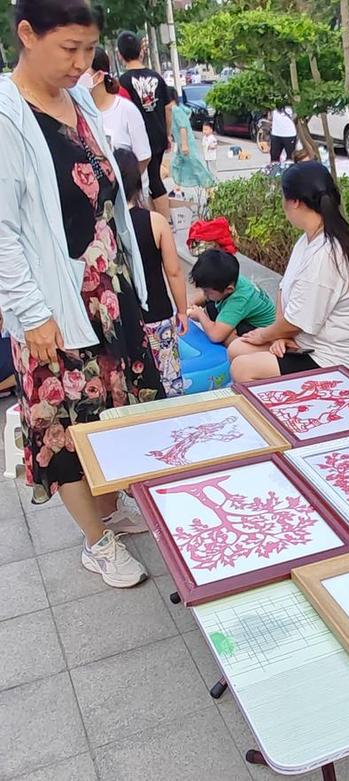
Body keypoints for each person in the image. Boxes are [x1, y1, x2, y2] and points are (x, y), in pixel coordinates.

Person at [0, 0, 167, 588]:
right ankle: (96, 542)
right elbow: (2, 230)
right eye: (69, 48)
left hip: (109, 291)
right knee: (66, 423)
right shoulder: (5, 114)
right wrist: (33, 314)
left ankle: (110, 507)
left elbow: (111, 201)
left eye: (89, 48)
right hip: (52, 306)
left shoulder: (78, 103)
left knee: (116, 409)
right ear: (27, 34)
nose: (81, 62)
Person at [228, 161, 349, 380]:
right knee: (237, 348)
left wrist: (265, 335)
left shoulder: (327, 254)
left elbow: (297, 322)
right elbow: (283, 290)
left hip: (331, 360)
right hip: (303, 345)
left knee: (243, 368)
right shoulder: (307, 240)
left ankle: (277, 414)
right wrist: (277, 337)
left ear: (294, 201)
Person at [114, 147, 188, 396]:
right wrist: (183, 311)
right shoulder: (154, 221)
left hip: (121, 319)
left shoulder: (104, 225)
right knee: (167, 382)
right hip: (157, 313)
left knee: (129, 386)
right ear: (138, 180)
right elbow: (174, 271)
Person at [117, 30, 173, 221]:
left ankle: (154, 226)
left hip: (138, 139)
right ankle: (165, 223)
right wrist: (167, 134)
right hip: (158, 135)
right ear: (141, 50)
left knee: (143, 184)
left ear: (119, 54)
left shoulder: (122, 83)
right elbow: (168, 108)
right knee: (155, 179)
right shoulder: (157, 77)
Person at [188, 250, 277, 345]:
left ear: (229, 289)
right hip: (249, 320)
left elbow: (216, 336)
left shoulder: (239, 299)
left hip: (262, 334)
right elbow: (206, 296)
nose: (204, 294)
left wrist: (200, 315)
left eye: (206, 291)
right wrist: (191, 303)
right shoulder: (229, 280)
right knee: (211, 306)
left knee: (226, 336)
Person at [89, 47, 149, 170]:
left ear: (99, 76)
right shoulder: (80, 113)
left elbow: (143, 157)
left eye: (82, 72)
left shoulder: (126, 110)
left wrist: (126, 185)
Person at [167, 86, 214, 189]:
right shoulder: (179, 109)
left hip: (186, 144)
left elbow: (182, 127)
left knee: (196, 165)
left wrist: (184, 145)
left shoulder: (176, 110)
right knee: (176, 165)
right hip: (181, 144)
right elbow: (188, 112)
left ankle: (210, 186)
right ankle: (177, 188)